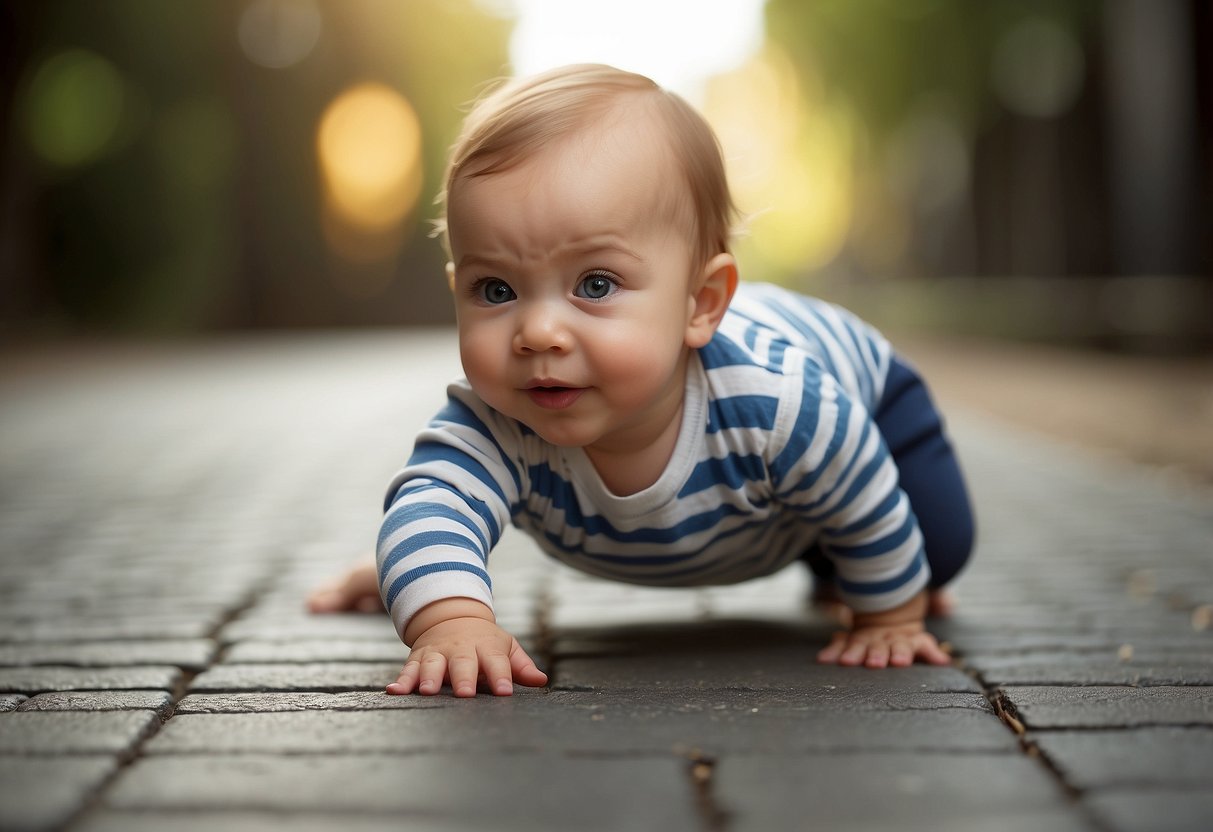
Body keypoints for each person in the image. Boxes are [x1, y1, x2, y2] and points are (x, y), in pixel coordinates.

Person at [309, 64, 974, 697]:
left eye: (594, 285)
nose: (538, 332)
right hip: (773, 495)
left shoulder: (778, 402)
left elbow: (859, 480)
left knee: (931, 544)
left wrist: (888, 615)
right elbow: (434, 501)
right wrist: (449, 614)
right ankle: (435, 575)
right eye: (496, 289)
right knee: (430, 552)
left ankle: (841, 562)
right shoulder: (496, 419)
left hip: (870, 402)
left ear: (700, 303)